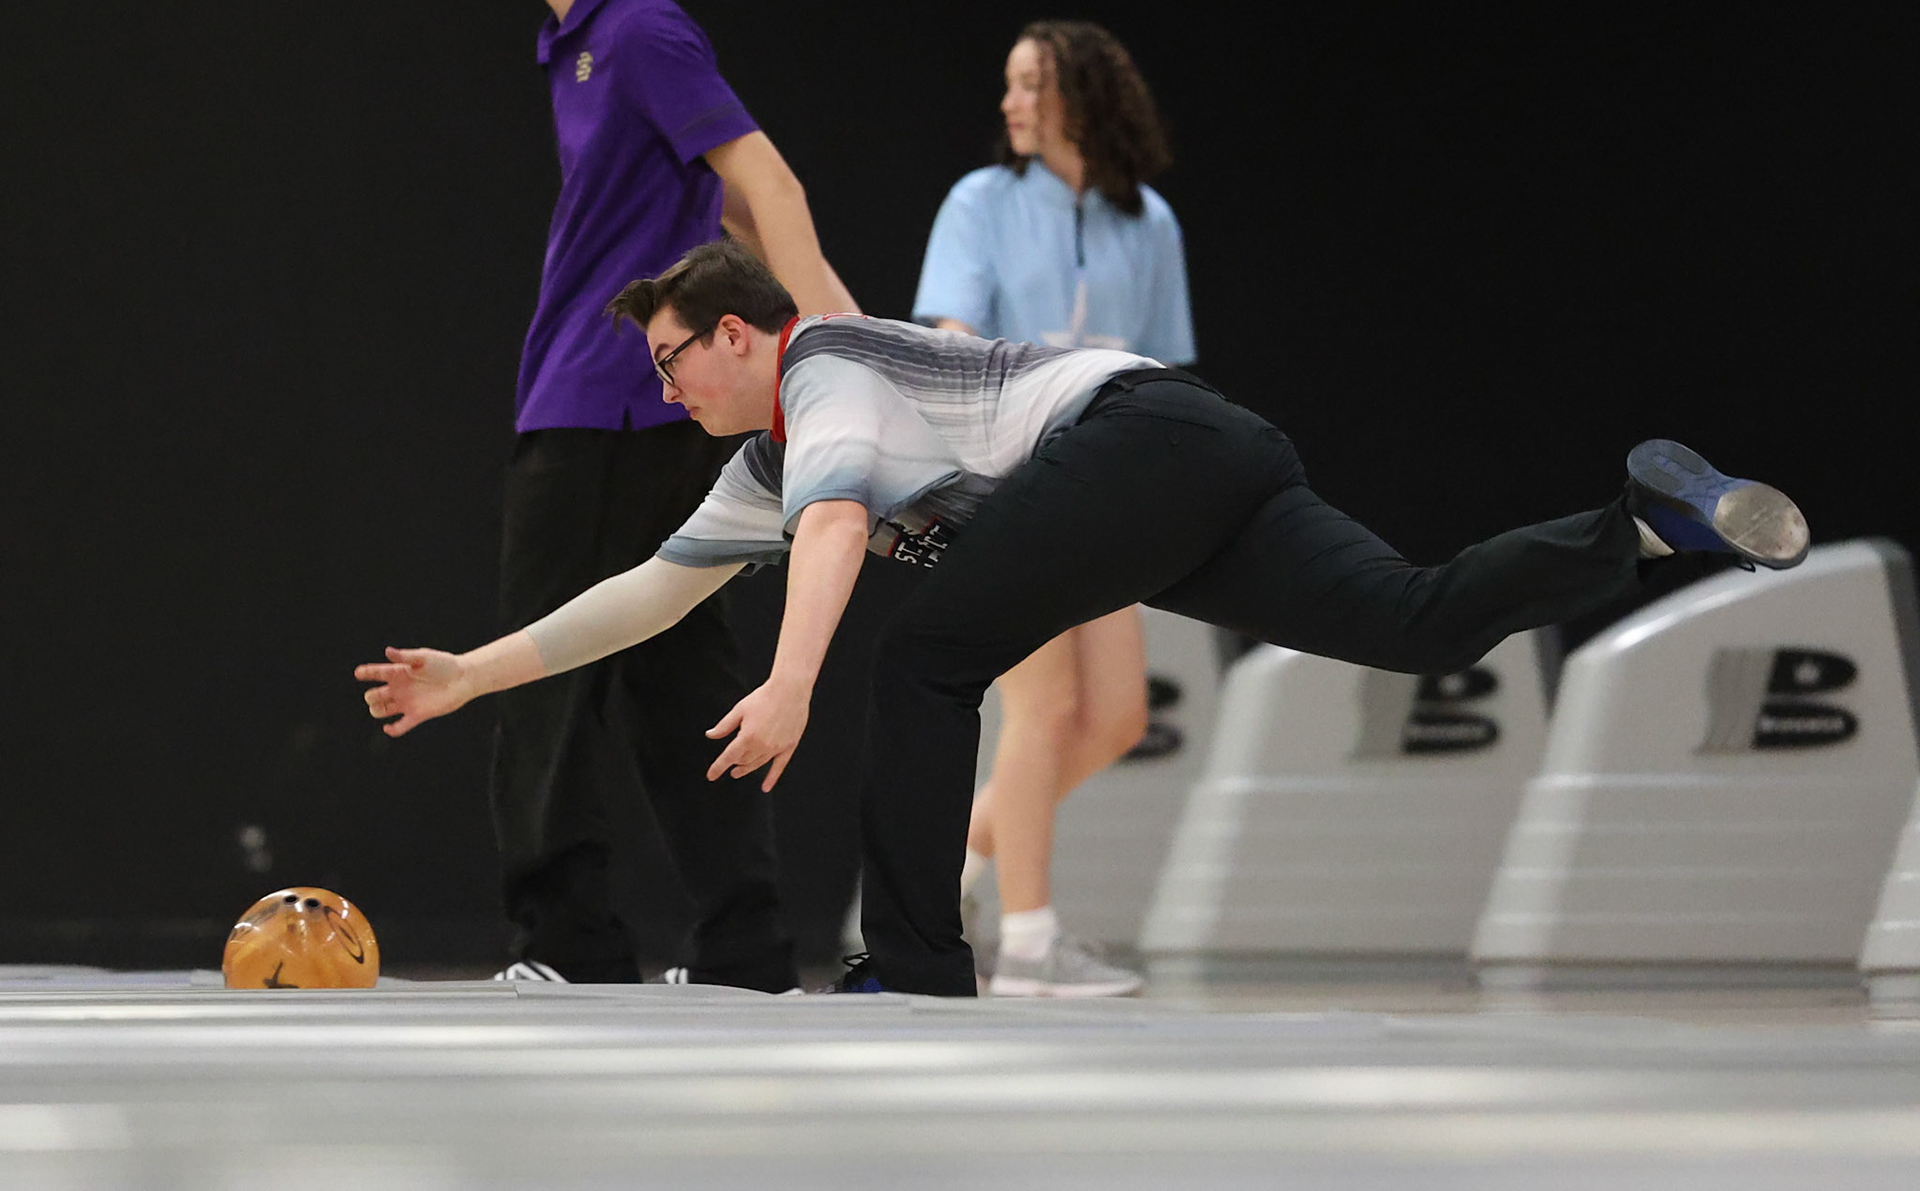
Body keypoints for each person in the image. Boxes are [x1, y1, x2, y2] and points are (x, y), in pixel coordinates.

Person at [357, 240, 1811, 998]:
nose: (667, 391)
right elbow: (652, 593)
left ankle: (916, 969)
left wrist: (795, 679)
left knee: (926, 660)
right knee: (1418, 620)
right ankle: (1637, 517)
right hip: (1206, 455)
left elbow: (849, 530)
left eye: (677, 362)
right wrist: (475, 674)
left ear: (743, 333)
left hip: (1139, 441)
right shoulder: (764, 462)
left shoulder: (827, 370)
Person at [470, 0, 856, 989]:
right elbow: (724, 203)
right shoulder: (575, 48)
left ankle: (566, 941)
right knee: (681, 676)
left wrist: (838, 350)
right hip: (619, 404)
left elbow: (767, 182)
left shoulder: (639, 31)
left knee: (551, 673)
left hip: (605, 405)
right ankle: (745, 947)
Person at [911, 20, 1193, 997]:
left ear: (1081, 95)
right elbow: (949, 337)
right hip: (1008, 474)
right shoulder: (981, 202)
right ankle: (1029, 941)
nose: (1011, 103)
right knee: (1040, 708)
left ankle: (936, 873)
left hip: (1113, 483)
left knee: (1113, 716)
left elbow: (1162, 368)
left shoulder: (1149, 221)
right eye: (1009, 85)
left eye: (1030, 84)